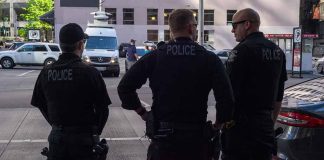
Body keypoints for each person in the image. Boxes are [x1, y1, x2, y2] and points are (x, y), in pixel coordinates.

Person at [118, 9, 235, 160]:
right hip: (197, 141)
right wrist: (216, 126)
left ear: (171, 29)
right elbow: (226, 99)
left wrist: (144, 114)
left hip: (163, 141)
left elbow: (125, 87)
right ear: (191, 28)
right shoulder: (209, 59)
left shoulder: (155, 57)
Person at [31, 23, 111, 160]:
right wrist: (95, 131)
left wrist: (55, 124)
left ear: (61, 45)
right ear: (80, 45)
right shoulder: (90, 72)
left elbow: (39, 103)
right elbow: (103, 108)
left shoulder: (46, 72)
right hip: (84, 141)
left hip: (57, 140)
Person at [222, 8, 287, 160]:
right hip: (265, 127)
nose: (232, 30)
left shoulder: (241, 51)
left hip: (240, 130)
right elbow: (279, 96)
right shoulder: (277, 51)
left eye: (234, 25)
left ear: (247, 24)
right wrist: (269, 124)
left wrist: (223, 123)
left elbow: (229, 94)